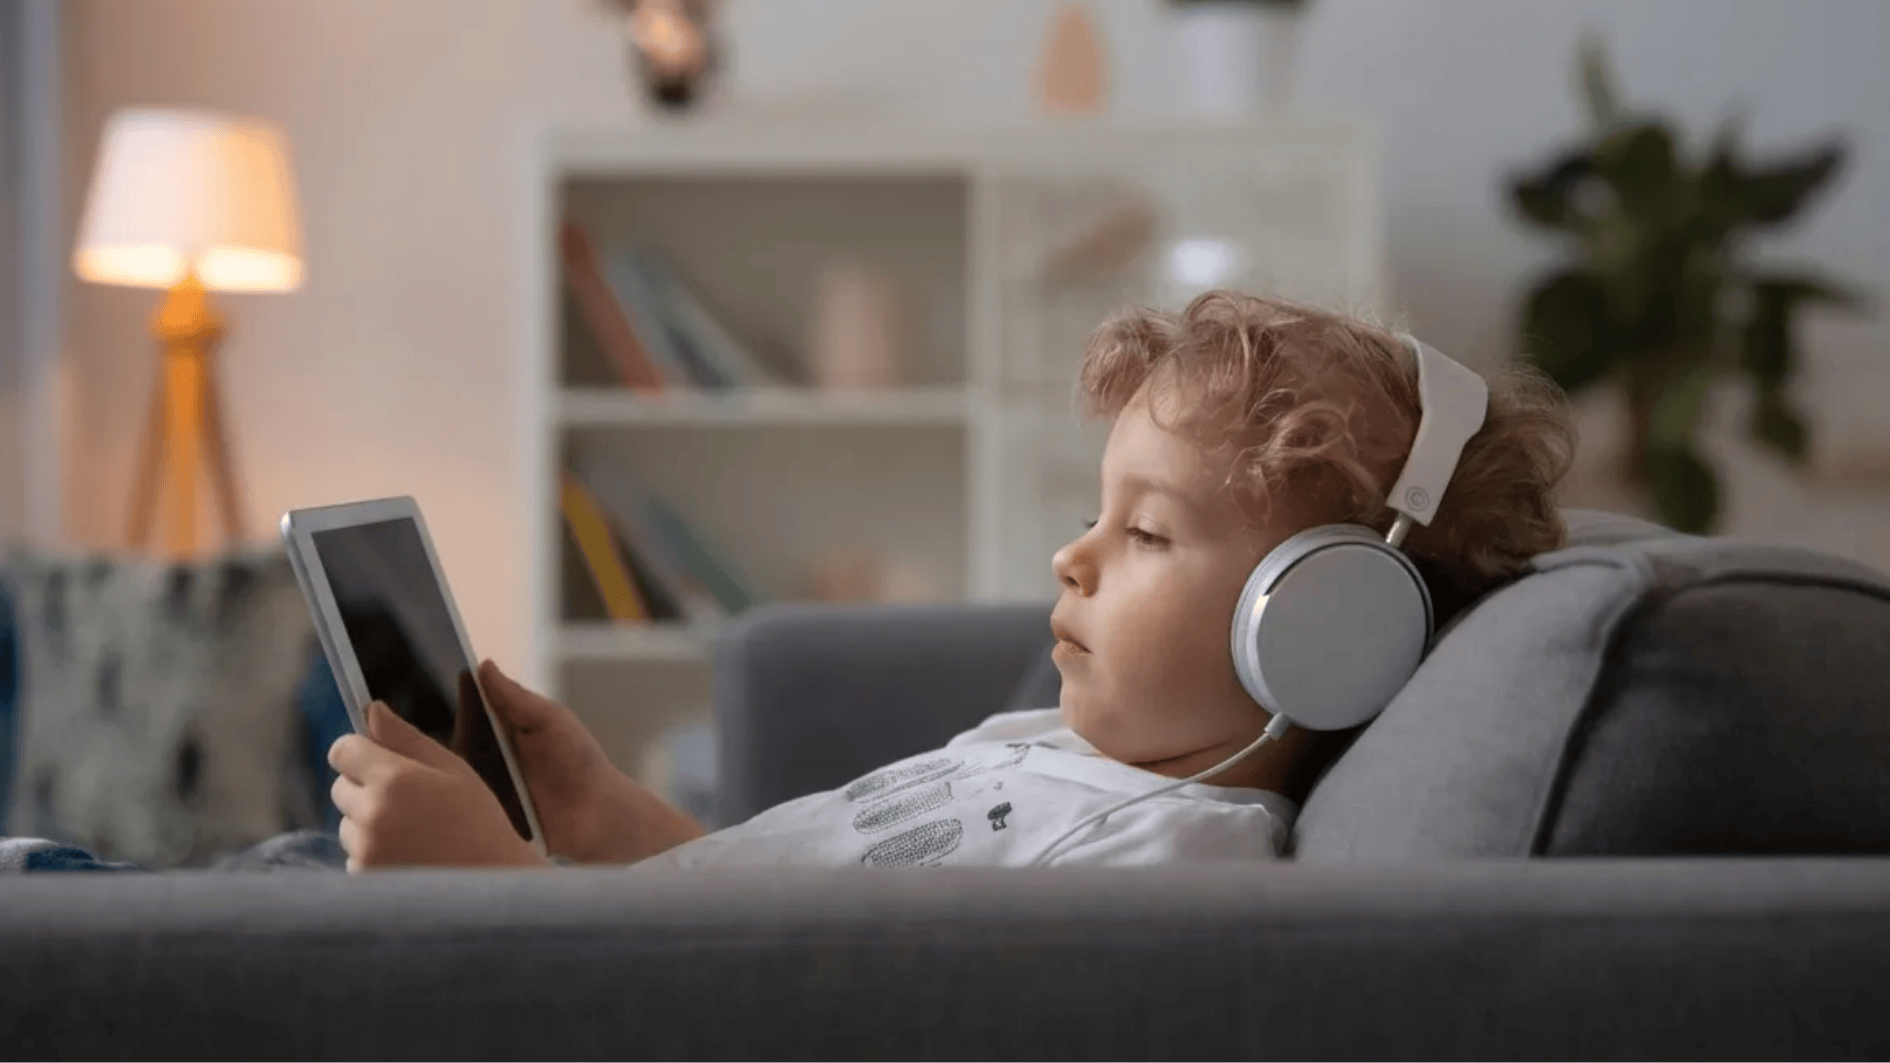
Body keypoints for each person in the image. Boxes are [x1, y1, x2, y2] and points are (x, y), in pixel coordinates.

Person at [325, 290, 1574, 872]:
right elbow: (798, 901)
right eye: (1097, 511)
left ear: (1318, 627)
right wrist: (613, 827)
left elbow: (804, 1012)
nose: (1070, 554)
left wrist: (500, 894)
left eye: (1147, 536)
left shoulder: (1165, 856)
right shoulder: (1058, 746)